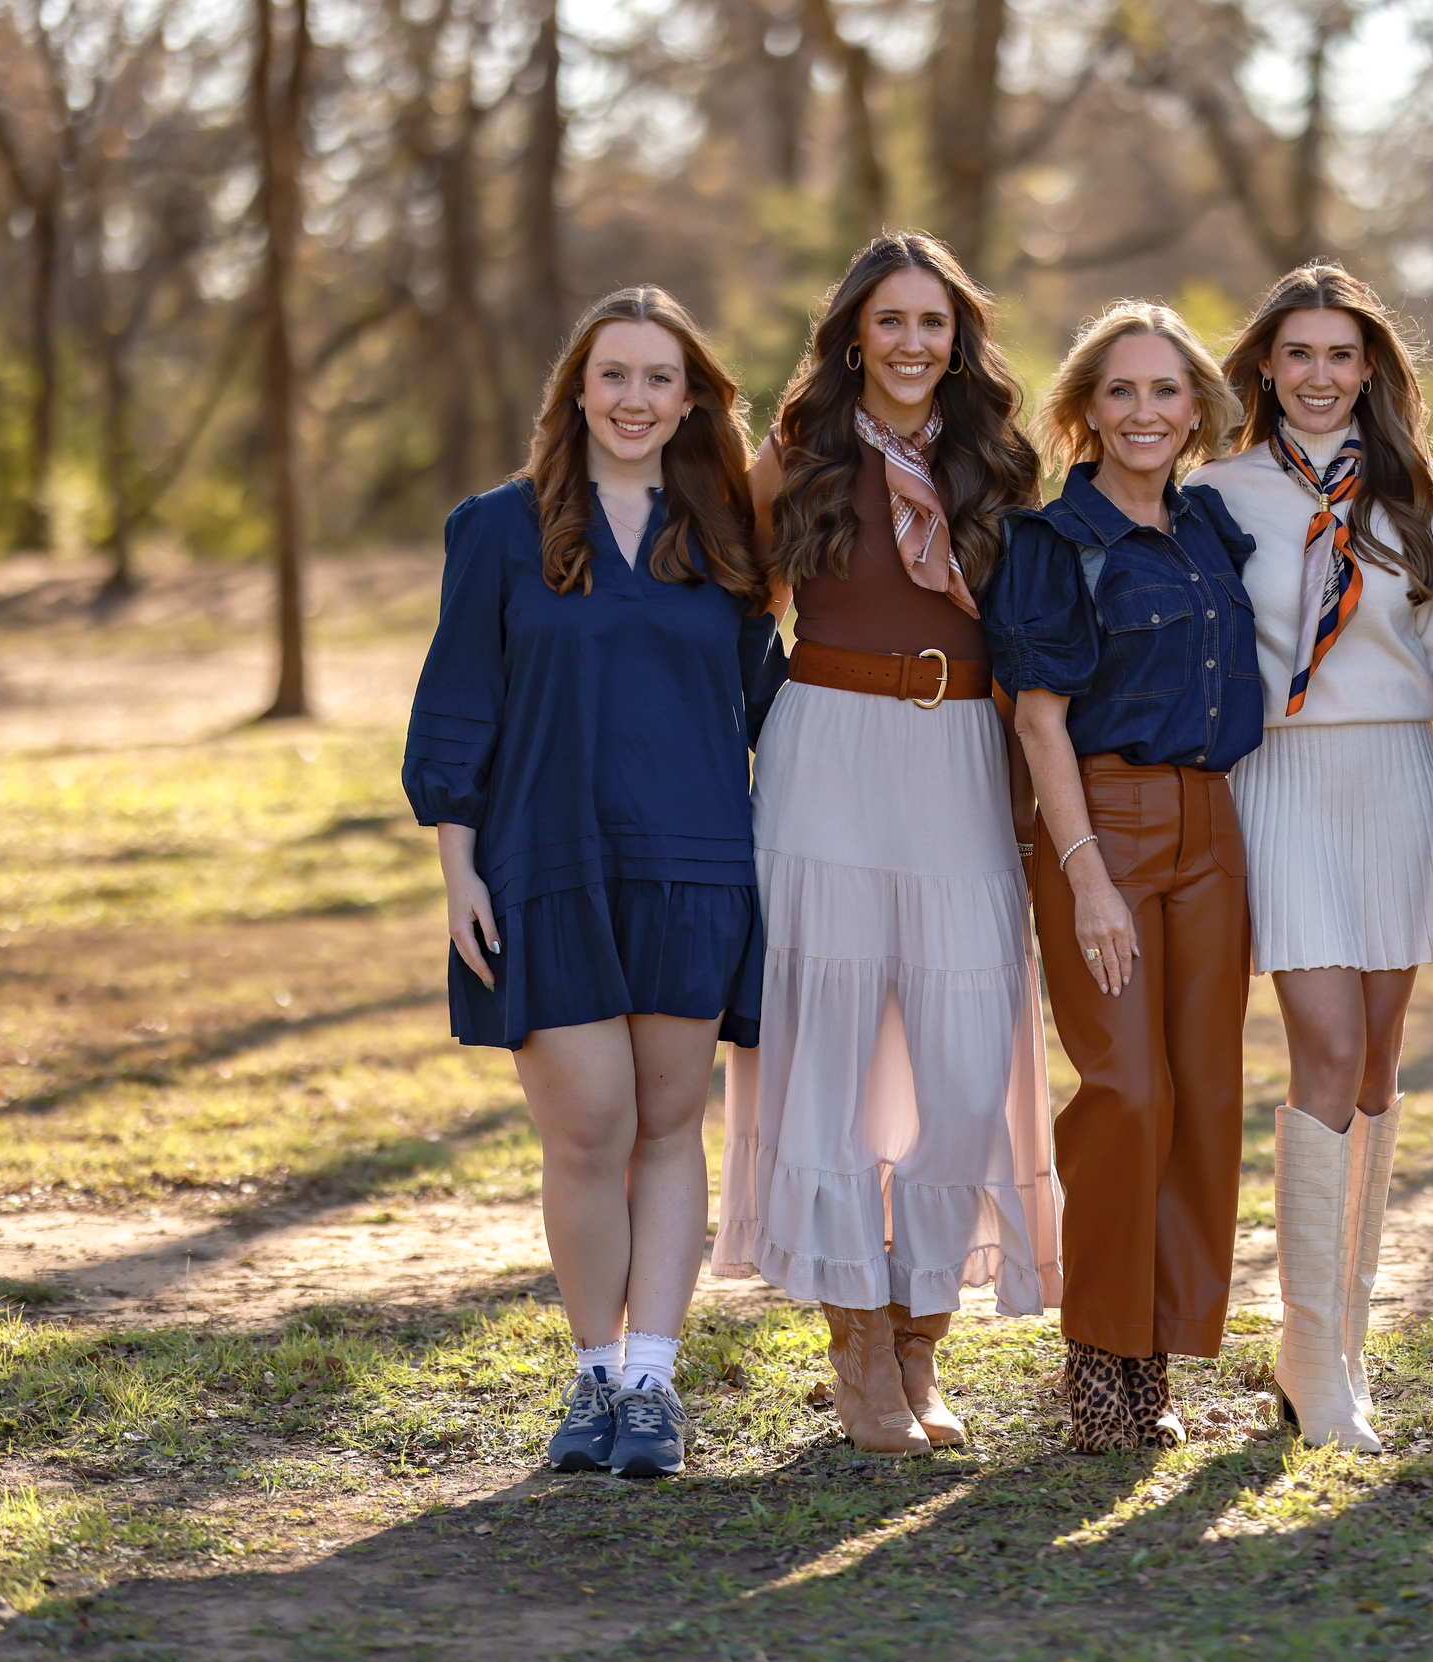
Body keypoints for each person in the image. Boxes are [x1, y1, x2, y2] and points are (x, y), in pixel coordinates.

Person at [402, 287, 781, 1479]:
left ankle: (654, 1383)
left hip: (692, 864)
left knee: (667, 1127)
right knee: (586, 1129)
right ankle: (594, 1375)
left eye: (660, 378)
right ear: (576, 391)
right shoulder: (497, 528)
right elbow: (457, 700)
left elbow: (774, 701)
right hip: (545, 863)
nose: (634, 398)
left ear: (691, 399)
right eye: (613, 374)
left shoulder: (725, 539)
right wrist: (458, 867)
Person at [711, 233, 1058, 1459]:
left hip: (960, 753)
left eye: (934, 323)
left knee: (965, 1065)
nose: (913, 343)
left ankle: (923, 1339)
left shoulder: (999, 460)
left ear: (959, 341)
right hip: (828, 752)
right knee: (832, 1053)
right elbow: (738, 607)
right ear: (854, 334)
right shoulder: (797, 452)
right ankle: (857, 1348)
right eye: (891, 320)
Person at [1187, 264, 1433, 1453]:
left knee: (1382, 1062)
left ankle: (1344, 1346)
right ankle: (1304, 1346)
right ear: (1264, 366)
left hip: (1396, 773)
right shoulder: (1216, 492)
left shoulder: (1414, 495)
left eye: (1340, 355)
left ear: (1369, 370)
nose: (1318, 375)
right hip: (1283, 777)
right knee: (1329, 1050)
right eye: (1297, 353)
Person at [984, 301, 1258, 1452]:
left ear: (1197, 409)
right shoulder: (1055, 543)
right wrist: (1086, 874)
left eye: (1166, 390)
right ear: (1086, 411)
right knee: (1126, 1093)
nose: (1145, 411)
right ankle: (1098, 1354)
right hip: (1103, 825)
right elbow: (1037, 720)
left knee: (1203, 1097)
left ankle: (1160, 1358)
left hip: (1213, 828)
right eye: (1121, 391)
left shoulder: (1211, 527)